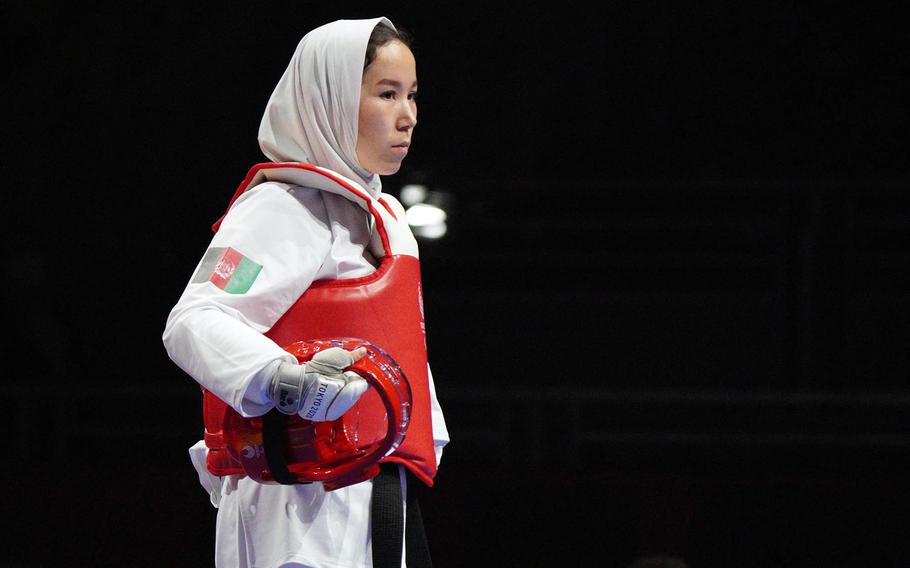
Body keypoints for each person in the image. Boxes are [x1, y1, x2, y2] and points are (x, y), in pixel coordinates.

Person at [162, 17, 449, 568]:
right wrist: (283, 379)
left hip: (377, 484)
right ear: (332, 100)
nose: (407, 115)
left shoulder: (383, 215)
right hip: (295, 501)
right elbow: (194, 319)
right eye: (387, 94)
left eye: (412, 95)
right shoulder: (283, 207)